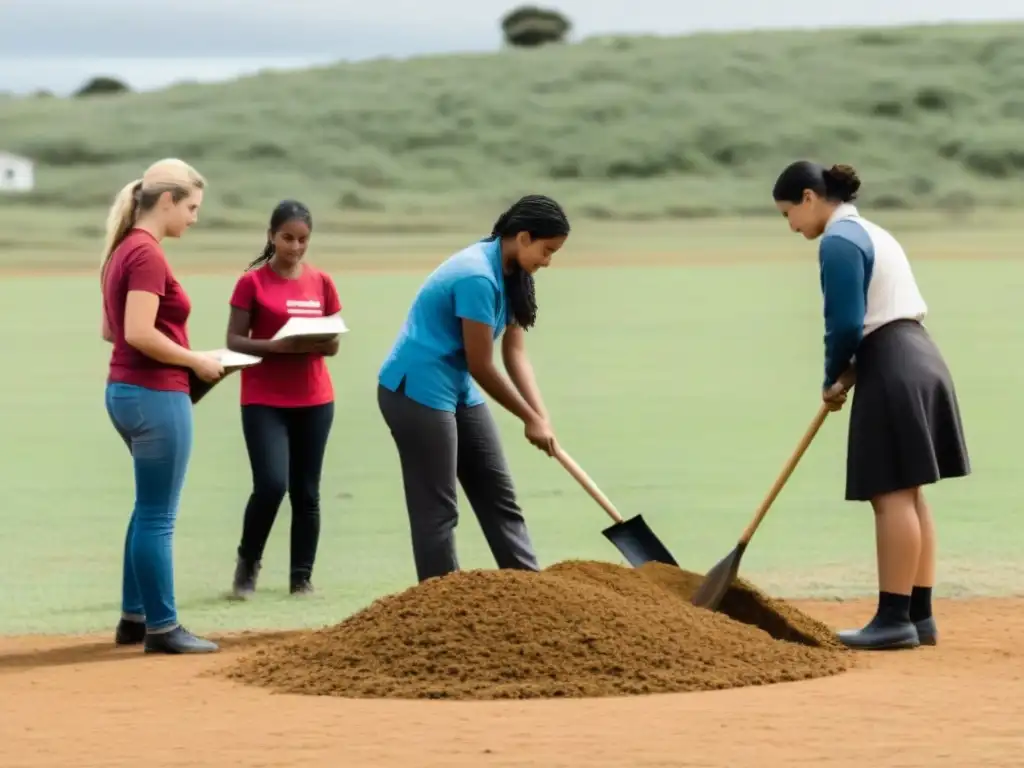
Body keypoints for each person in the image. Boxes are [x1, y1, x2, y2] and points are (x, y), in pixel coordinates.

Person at [771, 160, 971, 651]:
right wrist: (852, 370)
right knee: (911, 492)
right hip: (919, 354)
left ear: (809, 198)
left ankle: (892, 619)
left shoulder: (837, 241)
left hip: (891, 364)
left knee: (890, 496)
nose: (791, 226)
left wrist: (831, 376)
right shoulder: (874, 232)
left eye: (787, 214)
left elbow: (844, 322)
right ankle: (919, 616)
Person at [377, 194, 569, 584]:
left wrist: (540, 416)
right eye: (547, 251)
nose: (548, 262)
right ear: (524, 237)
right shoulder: (476, 276)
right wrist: (528, 419)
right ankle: (441, 607)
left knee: (500, 498)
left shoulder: (515, 274)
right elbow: (483, 364)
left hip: (459, 388)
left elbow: (514, 353)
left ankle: (534, 595)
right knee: (438, 509)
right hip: (417, 390)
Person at [100, 158, 225, 654]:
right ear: (167, 201)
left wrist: (188, 355)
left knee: (146, 508)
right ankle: (163, 628)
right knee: (159, 516)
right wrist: (195, 359)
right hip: (155, 395)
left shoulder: (120, 250)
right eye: (192, 207)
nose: (194, 217)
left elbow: (111, 331)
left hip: (124, 392)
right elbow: (136, 332)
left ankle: (134, 619)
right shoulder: (147, 255)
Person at [224, 200, 341, 599]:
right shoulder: (252, 283)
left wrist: (317, 343)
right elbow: (234, 341)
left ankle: (301, 578)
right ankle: (247, 566)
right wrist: (278, 346)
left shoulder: (322, 282)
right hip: (264, 399)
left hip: (315, 398)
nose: (295, 247)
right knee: (271, 485)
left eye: (303, 239)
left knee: (307, 492)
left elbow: (333, 344)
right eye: (287, 238)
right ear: (272, 235)